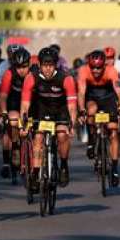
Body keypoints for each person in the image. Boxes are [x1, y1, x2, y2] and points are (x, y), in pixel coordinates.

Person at [21, 47, 78, 189]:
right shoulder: (31, 77)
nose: (47, 69)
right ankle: (35, 173)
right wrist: (24, 124)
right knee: (38, 138)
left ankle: (63, 165)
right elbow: (25, 105)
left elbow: (71, 106)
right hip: (40, 109)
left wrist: (72, 124)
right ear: (39, 65)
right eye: (45, 65)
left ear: (56, 65)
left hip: (60, 109)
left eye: (51, 65)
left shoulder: (66, 78)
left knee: (62, 135)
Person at [78, 49, 120, 186]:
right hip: (91, 96)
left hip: (107, 97)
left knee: (113, 131)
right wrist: (82, 110)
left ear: (104, 65)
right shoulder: (83, 71)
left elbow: (119, 91)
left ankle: (115, 169)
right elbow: (81, 93)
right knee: (91, 111)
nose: (96, 71)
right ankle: (92, 140)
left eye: (99, 68)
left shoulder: (111, 71)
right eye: (93, 68)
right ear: (89, 65)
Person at [0, 47, 31, 180]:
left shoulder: (34, 73)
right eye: (18, 67)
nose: (21, 70)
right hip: (14, 101)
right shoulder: (9, 74)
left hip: (30, 102)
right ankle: (15, 148)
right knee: (12, 122)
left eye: (24, 66)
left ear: (29, 64)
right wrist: (4, 112)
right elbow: (3, 96)